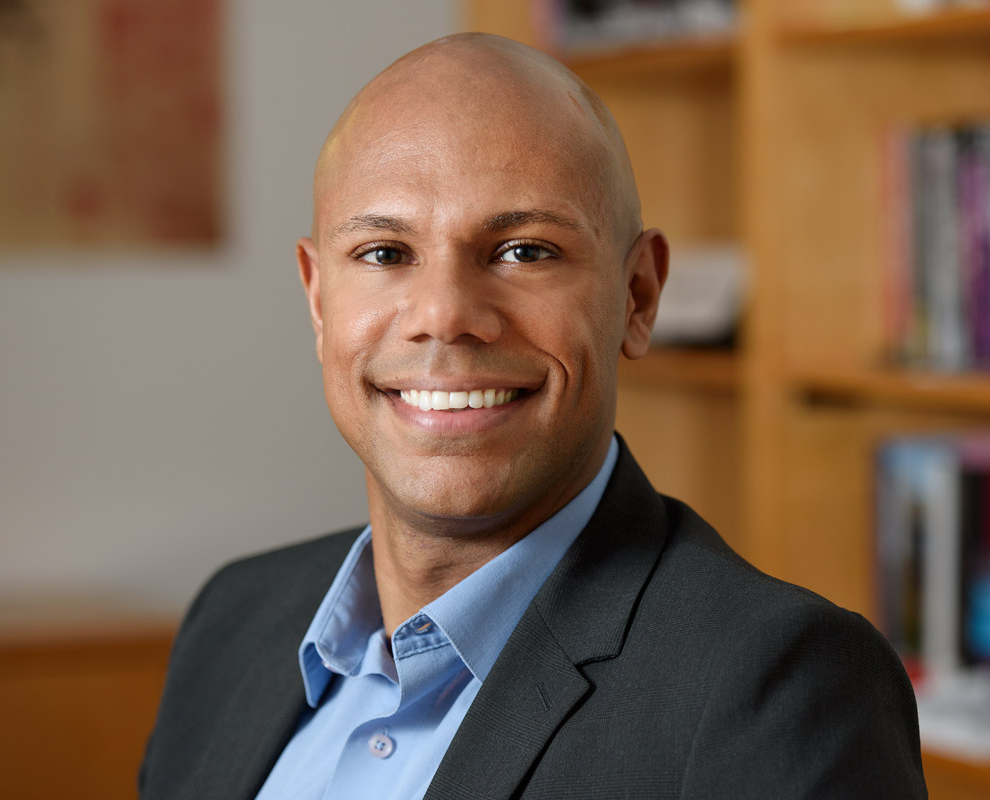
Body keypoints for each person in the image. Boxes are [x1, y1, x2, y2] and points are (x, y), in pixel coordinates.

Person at [140, 33, 926, 800]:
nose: (446, 315)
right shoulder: (233, 619)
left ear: (637, 297)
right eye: (384, 254)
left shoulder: (780, 686)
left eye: (524, 250)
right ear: (317, 300)